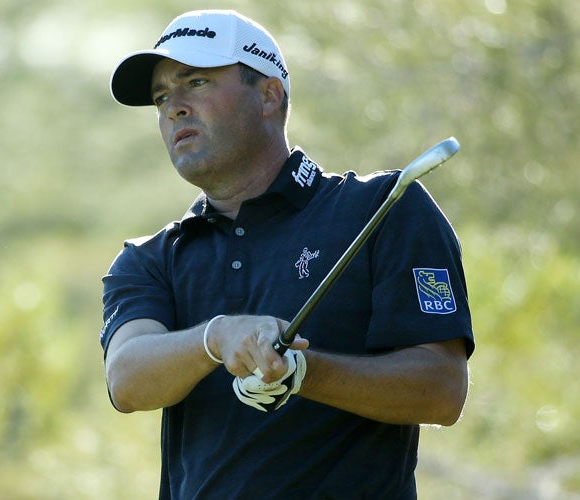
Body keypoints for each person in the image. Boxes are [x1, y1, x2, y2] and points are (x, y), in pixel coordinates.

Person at [100, 9, 474, 499]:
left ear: (269, 95)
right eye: (162, 97)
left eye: (195, 82)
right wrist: (216, 338)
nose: (174, 108)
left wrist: (303, 372)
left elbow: (442, 390)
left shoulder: (383, 209)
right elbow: (127, 378)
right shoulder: (150, 259)